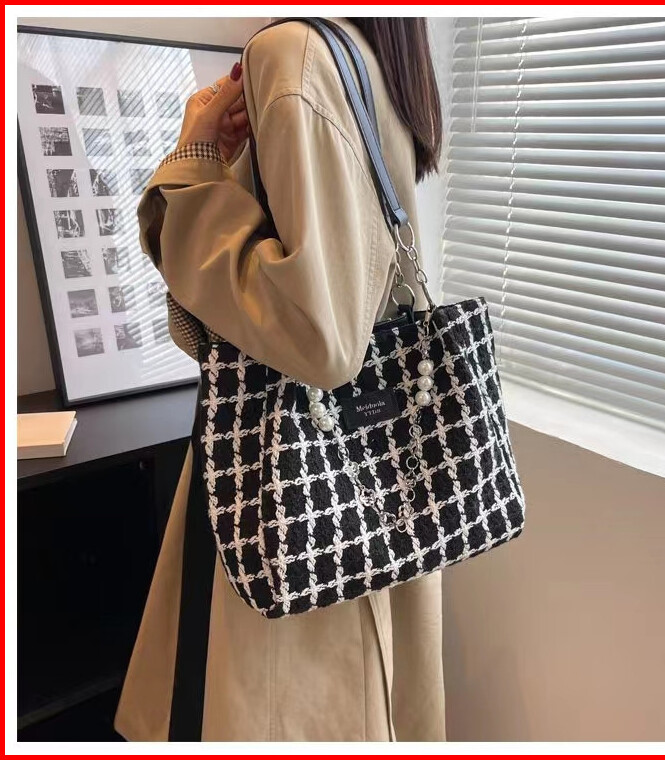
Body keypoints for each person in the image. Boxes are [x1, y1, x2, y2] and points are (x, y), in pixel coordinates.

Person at [114, 17, 445, 742]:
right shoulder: (379, 56)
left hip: (289, 493)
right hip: (375, 477)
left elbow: (317, 336)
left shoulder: (290, 52)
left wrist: (194, 164)